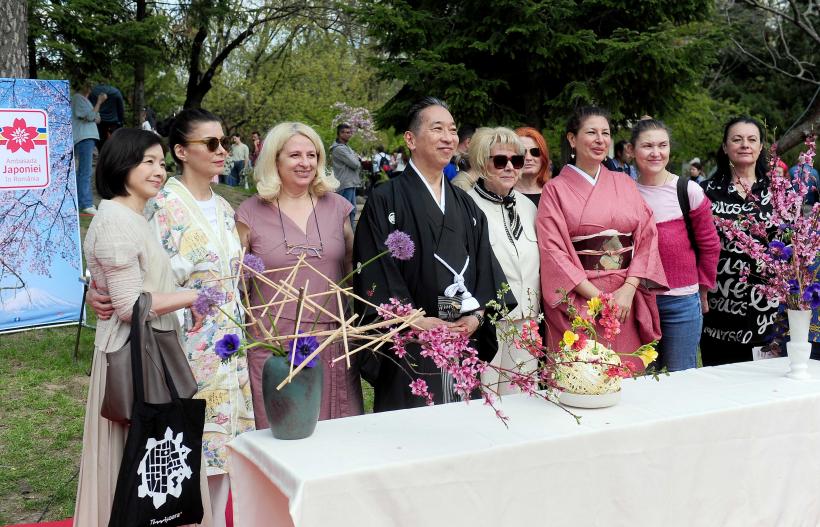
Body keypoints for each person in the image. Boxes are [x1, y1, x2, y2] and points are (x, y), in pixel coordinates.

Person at [74, 128, 212, 526]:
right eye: (147, 161)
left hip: (151, 350)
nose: (158, 170)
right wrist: (194, 296)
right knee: (138, 460)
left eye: (161, 163)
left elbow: (134, 289)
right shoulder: (118, 219)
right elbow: (129, 306)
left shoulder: (133, 216)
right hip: (133, 359)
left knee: (152, 459)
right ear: (122, 164)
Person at [352, 97, 508, 411]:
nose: (449, 137)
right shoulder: (385, 199)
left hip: (462, 339)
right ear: (410, 139)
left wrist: (475, 318)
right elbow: (376, 274)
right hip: (410, 345)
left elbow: (485, 269)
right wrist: (416, 320)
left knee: (461, 435)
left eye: (452, 130)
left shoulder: (465, 205)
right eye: (437, 129)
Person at [155, 108, 255, 526]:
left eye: (225, 142)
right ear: (181, 150)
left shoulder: (224, 205)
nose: (222, 151)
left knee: (226, 449)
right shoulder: (161, 205)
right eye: (210, 143)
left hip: (231, 347)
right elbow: (146, 282)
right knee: (189, 448)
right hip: (186, 348)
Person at [235, 122, 364, 426]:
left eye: (312, 155)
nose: (305, 163)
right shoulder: (249, 214)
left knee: (337, 442)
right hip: (272, 348)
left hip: (330, 342)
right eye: (295, 155)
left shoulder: (338, 208)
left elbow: (352, 268)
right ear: (274, 160)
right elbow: (237, 283)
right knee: (280, 441)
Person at [536, 106, 667, 371]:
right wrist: (599, 299)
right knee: (583, 376)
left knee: (626, 374)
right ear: (572, 139)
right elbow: (553, 251)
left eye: (605, 133)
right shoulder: (555, 190)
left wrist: (628, 291)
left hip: (625, 297)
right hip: (581, 296)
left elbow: (646, 237)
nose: (600, 140)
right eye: (591, 132)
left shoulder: (624, 182)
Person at [632, 120, 720, 371]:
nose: (655, 152)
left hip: (682, 302)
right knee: (642, 381)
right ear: (632, 149)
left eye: (662, 145)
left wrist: (703, 289)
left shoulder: (688, 190)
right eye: (647, 145)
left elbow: (709, 245)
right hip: (640, 302)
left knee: (683, 379)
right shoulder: (626, 192)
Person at [465, 127, 541, 394]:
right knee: (484, 402)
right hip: (487, 325)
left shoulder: (528, 207)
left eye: (516, 161)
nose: (510, 167)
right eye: (500, 161)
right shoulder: (466, 207)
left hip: (527, 324)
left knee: (523, 401)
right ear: (482, 163)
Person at [702, 117, 780, 365]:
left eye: (751, 139)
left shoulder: (779, 192)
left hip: (767, 311)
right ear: (725, 147)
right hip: (719, 309)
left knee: (765, 387)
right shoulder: (705, 191)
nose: (744, 145)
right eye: (737, 139)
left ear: (760, 147)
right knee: (720, 383)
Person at [71, 80, 106, 215]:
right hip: (83, 137)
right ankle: (86, 203)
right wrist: (99, 102)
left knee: (83, 171)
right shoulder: (78, 98)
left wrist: (94, 111)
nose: (90, 88)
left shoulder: (85, 100)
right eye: (87, 85)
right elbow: (91, 116)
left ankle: (82, 202)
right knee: (85, 171)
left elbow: (97, 118)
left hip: (87, 137)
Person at [330, 123, 362, 227]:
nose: (349, 135)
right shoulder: (339, 149)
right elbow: (355, 164)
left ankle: (350, 237)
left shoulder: (346, 147)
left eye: (350, 132)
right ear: (340, 133)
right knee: (346, 212)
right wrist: (356, 158)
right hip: (345, 183)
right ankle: (344, 237)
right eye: (347, 132)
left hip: (350, 183)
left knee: (351, 211)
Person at [514, 126, 551, 207]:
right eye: (522, 152)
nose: (528, 158)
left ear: (543, 157)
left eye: (535, 152)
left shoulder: (554, 194)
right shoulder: (502, 195)